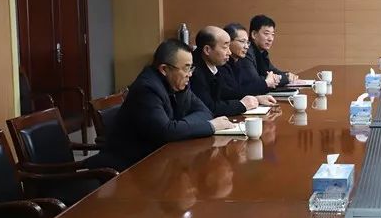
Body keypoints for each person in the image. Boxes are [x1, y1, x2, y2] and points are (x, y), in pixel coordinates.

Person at [102, 39, 235, 168]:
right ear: (164, 69)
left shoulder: (178, 83)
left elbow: (205, 112)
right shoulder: (147, 89)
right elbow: (165, 132)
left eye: (191, 68)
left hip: (160, 158)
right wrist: (210, 126)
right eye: (186, 68)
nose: (190, 74)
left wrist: (178, 126)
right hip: (130, 165)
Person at [191, 26, 275, 117]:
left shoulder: (213, 65)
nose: (229, 52)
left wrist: (256, 99)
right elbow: (209, 108)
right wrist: (242, 105)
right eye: (225, 47)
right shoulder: (194, 72)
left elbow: (226, 93)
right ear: (207, 50)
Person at [219, 22, 274, 96]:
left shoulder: (239, 61)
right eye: (242, 41)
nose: (246, 47)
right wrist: (266, 83)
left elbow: (250, 84)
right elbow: (233, 92)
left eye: (247, 42)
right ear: (228, 42)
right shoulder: (221, 63)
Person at [244, 15, 298, 88]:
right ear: (254, 34)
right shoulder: (246, 52)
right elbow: (257, 81)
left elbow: (273, 71)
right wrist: (285, 78)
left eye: (272, 34)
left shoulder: (262, 53)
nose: (270, 39)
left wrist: (287, 74)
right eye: (266, 34)